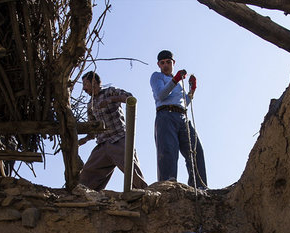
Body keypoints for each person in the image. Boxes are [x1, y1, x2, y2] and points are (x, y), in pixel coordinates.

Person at [78, 71, 148, 191]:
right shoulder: (91, 105)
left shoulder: (109, 91)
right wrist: (84, 139)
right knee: (86, 176)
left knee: (132, 172)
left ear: (94, 82)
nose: (84, 88)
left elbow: (129, 98)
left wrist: (112, 99)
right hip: (103, 144)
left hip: (119, 139)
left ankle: (145, 196)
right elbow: (93, 128)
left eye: (85, 84)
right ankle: (83, 199)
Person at [150, 50, 207, 188]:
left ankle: (199, 186)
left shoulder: (178, 82)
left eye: (168, 62)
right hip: (165, 115)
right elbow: (160, 95)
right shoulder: (157, 76)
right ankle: (168, 186)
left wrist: (192, 90)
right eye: (162, 63)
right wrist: (175, 80)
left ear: (173, 63)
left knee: (195, 149)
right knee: (168, 151)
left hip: (182, 115)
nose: (165, 65)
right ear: (158, 64)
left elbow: (183, 102)